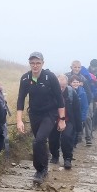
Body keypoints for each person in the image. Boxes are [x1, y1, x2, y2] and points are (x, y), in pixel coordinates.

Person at [16, 51, 66, 185]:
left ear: (43, 63)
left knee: (38, 140)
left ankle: (40, 170)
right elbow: (21, 99)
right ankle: (44, 164)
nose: (35, 66)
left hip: (49, 114)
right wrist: (19, 120)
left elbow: (59, 99)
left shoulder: (50, 77)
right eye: (32, 63)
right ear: (29, 64)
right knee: (40, 142)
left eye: (38, 63)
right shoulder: (25, 78)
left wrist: (62, 119)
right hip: (34, 114)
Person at [49, 74, 81, 169]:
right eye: (59, 85)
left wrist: (78, 128)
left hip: (68, 120)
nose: (61, 88)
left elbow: (77, 110)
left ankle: (67, 159)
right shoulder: (50, 93)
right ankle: (55, 156)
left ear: (67, 84)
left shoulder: (72, 93)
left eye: (63, 85)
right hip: (53, 119)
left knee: (67, 138)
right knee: (53, 139)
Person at [69, 74, 89, 147]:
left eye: (77, 82)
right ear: (70, 83)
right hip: (69, 116)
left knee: (76, 132)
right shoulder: (67, 92)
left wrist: (82, 118)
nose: (76, 84)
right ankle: (69, 146)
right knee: (69, 131)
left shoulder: (82, 93)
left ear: (80, 83)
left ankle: (73, 145)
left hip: (78, 116)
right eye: (74, 82)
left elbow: (85, 106)